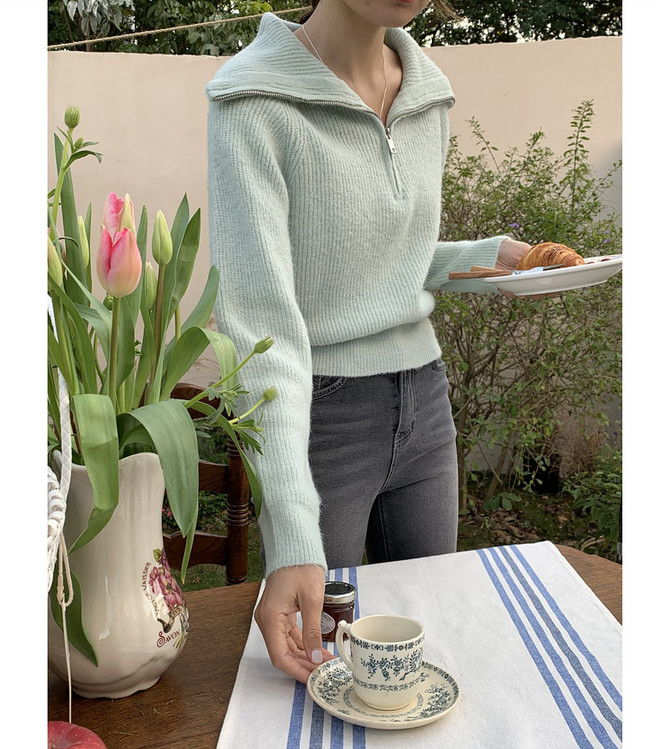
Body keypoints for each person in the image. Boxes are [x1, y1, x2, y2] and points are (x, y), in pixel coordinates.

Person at [205, 0, 531, 684]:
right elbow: (262, 325)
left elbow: (374, 263)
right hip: (320, 420)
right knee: (317, 664)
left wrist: (484, 256)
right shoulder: (254, 101)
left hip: (426, 403)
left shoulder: (426, 94)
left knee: (428, 646)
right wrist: (292, 528)